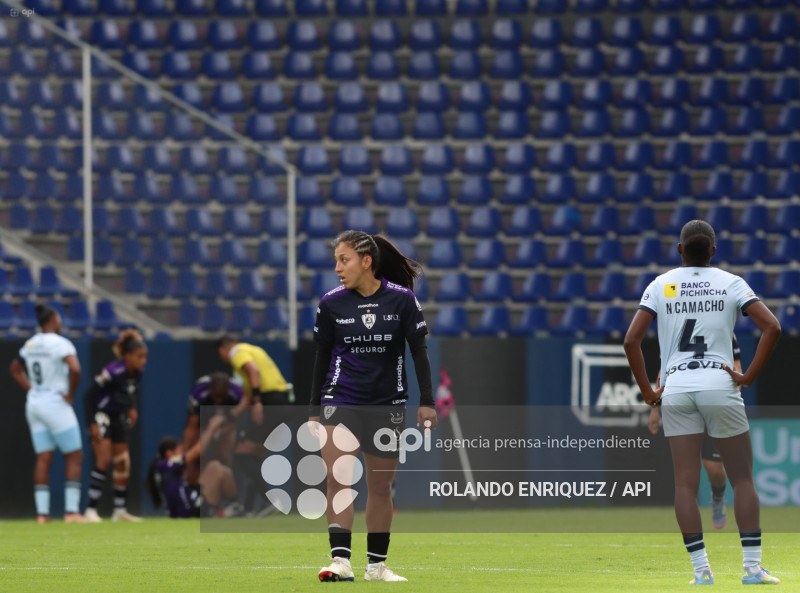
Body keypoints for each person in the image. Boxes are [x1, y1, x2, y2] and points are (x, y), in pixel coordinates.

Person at [624, 220, 781, 585]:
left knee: (683, 485)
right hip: (719, 384)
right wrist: (748, 376)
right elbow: (771, 326)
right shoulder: (731, 282)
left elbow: (631, 341)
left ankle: (701, 572)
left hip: (677, 389)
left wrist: (649, 391)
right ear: (713, 249)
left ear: (680, 250)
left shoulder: (660, 285)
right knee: (742, 480)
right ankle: (753, 568)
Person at [309, 231, 437, 583]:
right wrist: (313, 409)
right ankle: (340, 561)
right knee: (339, 479)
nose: (337, 267)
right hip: (341, 400)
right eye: (335, 259)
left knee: (381, 487)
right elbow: (321, 357)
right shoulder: (331, 303)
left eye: (344, 259)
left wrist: (427, 402)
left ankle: (377, 567)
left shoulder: (403, 300)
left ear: (367, 262)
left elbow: (419, 353)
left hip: (387, 405)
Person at [648, 337, 744, 530]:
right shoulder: (674, 326)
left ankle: (718, 496)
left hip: (714, 401)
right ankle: (692, 538)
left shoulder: (722, 323)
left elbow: (736, 366)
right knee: (686, 472)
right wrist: (655, 408)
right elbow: (665, 369)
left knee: (713, 468)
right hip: (684, 402)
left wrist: (730, 396)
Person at [9, 304, 84, 523]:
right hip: (55, 403)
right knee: (74, 455)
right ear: (52, 320)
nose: (61, 322)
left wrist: (31, 388)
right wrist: (70, 394)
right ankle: (71, 512)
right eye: (59, 318)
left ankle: (42, 514)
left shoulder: (31, 343)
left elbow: (15, 368)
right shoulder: (61, 343)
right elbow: (76, 368)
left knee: (43, 457)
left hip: (34, 404)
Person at [216, 335, 292, 512]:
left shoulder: (237, 352)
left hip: (268, 402)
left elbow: (253, 371)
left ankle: (269, 501)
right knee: (254, 458)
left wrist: (258, 401)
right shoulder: (256, 349)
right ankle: (249, 509)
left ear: (222, 350)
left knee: (242, 454)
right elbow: (247, 398)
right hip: (283, 402)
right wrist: (230, 419)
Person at [83, 329, 148, 523]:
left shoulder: (137, 373)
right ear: (127, 356)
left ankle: (119, 510)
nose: (143, 361)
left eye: (145, 357)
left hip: (118, 416)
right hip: (102, 414)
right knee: (103, 460)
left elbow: (130, 392)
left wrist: (132, 408)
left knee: (122, 462)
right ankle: (90, 510)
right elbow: (89, 395)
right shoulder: (112, 372)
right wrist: (91, 423)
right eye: (139, 357)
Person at [145, 414, 237, 518]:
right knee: (215, 467)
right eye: (179, 450)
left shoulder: (164, 468)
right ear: (169, 453)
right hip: (190, 510)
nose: (182, 453)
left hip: (188, 507)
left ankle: (230, 507)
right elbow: (197, 451)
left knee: (220, 469)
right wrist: (211, 428)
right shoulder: (168, 463)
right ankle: (233, 507)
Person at [182, 372, 245, 485]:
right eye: (216, 395)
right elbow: (191, 426)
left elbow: (235, 422)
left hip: (226, 424)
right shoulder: (199, 393)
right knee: (197, 457)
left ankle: (224, 492)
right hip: (204, 423)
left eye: (222, 396)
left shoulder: (237, 393)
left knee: (225, 457)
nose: (219, 400)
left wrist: (221, 431)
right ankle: (195, 489)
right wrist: (184, 454)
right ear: (210, 389)